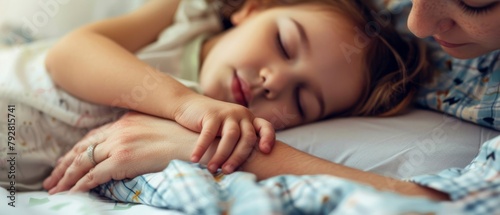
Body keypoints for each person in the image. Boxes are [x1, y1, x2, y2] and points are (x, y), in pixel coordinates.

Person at [1, 0, 429, 191]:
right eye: (283, 44)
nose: (273, 81)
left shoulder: (230, 134)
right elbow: (70, 54)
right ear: (253, 8)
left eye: (301, 102)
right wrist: (184, 103)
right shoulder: (183, 18)